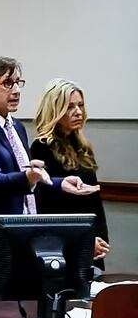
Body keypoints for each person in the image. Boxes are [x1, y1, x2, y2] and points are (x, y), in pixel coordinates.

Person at [0, 57, 98, 263]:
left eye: (18, 83)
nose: (16, 90)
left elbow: (28, 180)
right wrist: (29, 177)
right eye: (7, 83)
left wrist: (59, 184)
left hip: (27, 232)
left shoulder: (17, 127)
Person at [31, 79, 109, 267]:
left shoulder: (82, 146)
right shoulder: (42, 147)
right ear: (55, 110)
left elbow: (94, 199)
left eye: (80, 105)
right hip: (64, 243)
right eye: (70, 107)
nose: (78, 112)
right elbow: (47, 204)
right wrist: (84, 239)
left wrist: (99, 236)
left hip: (91, 236)